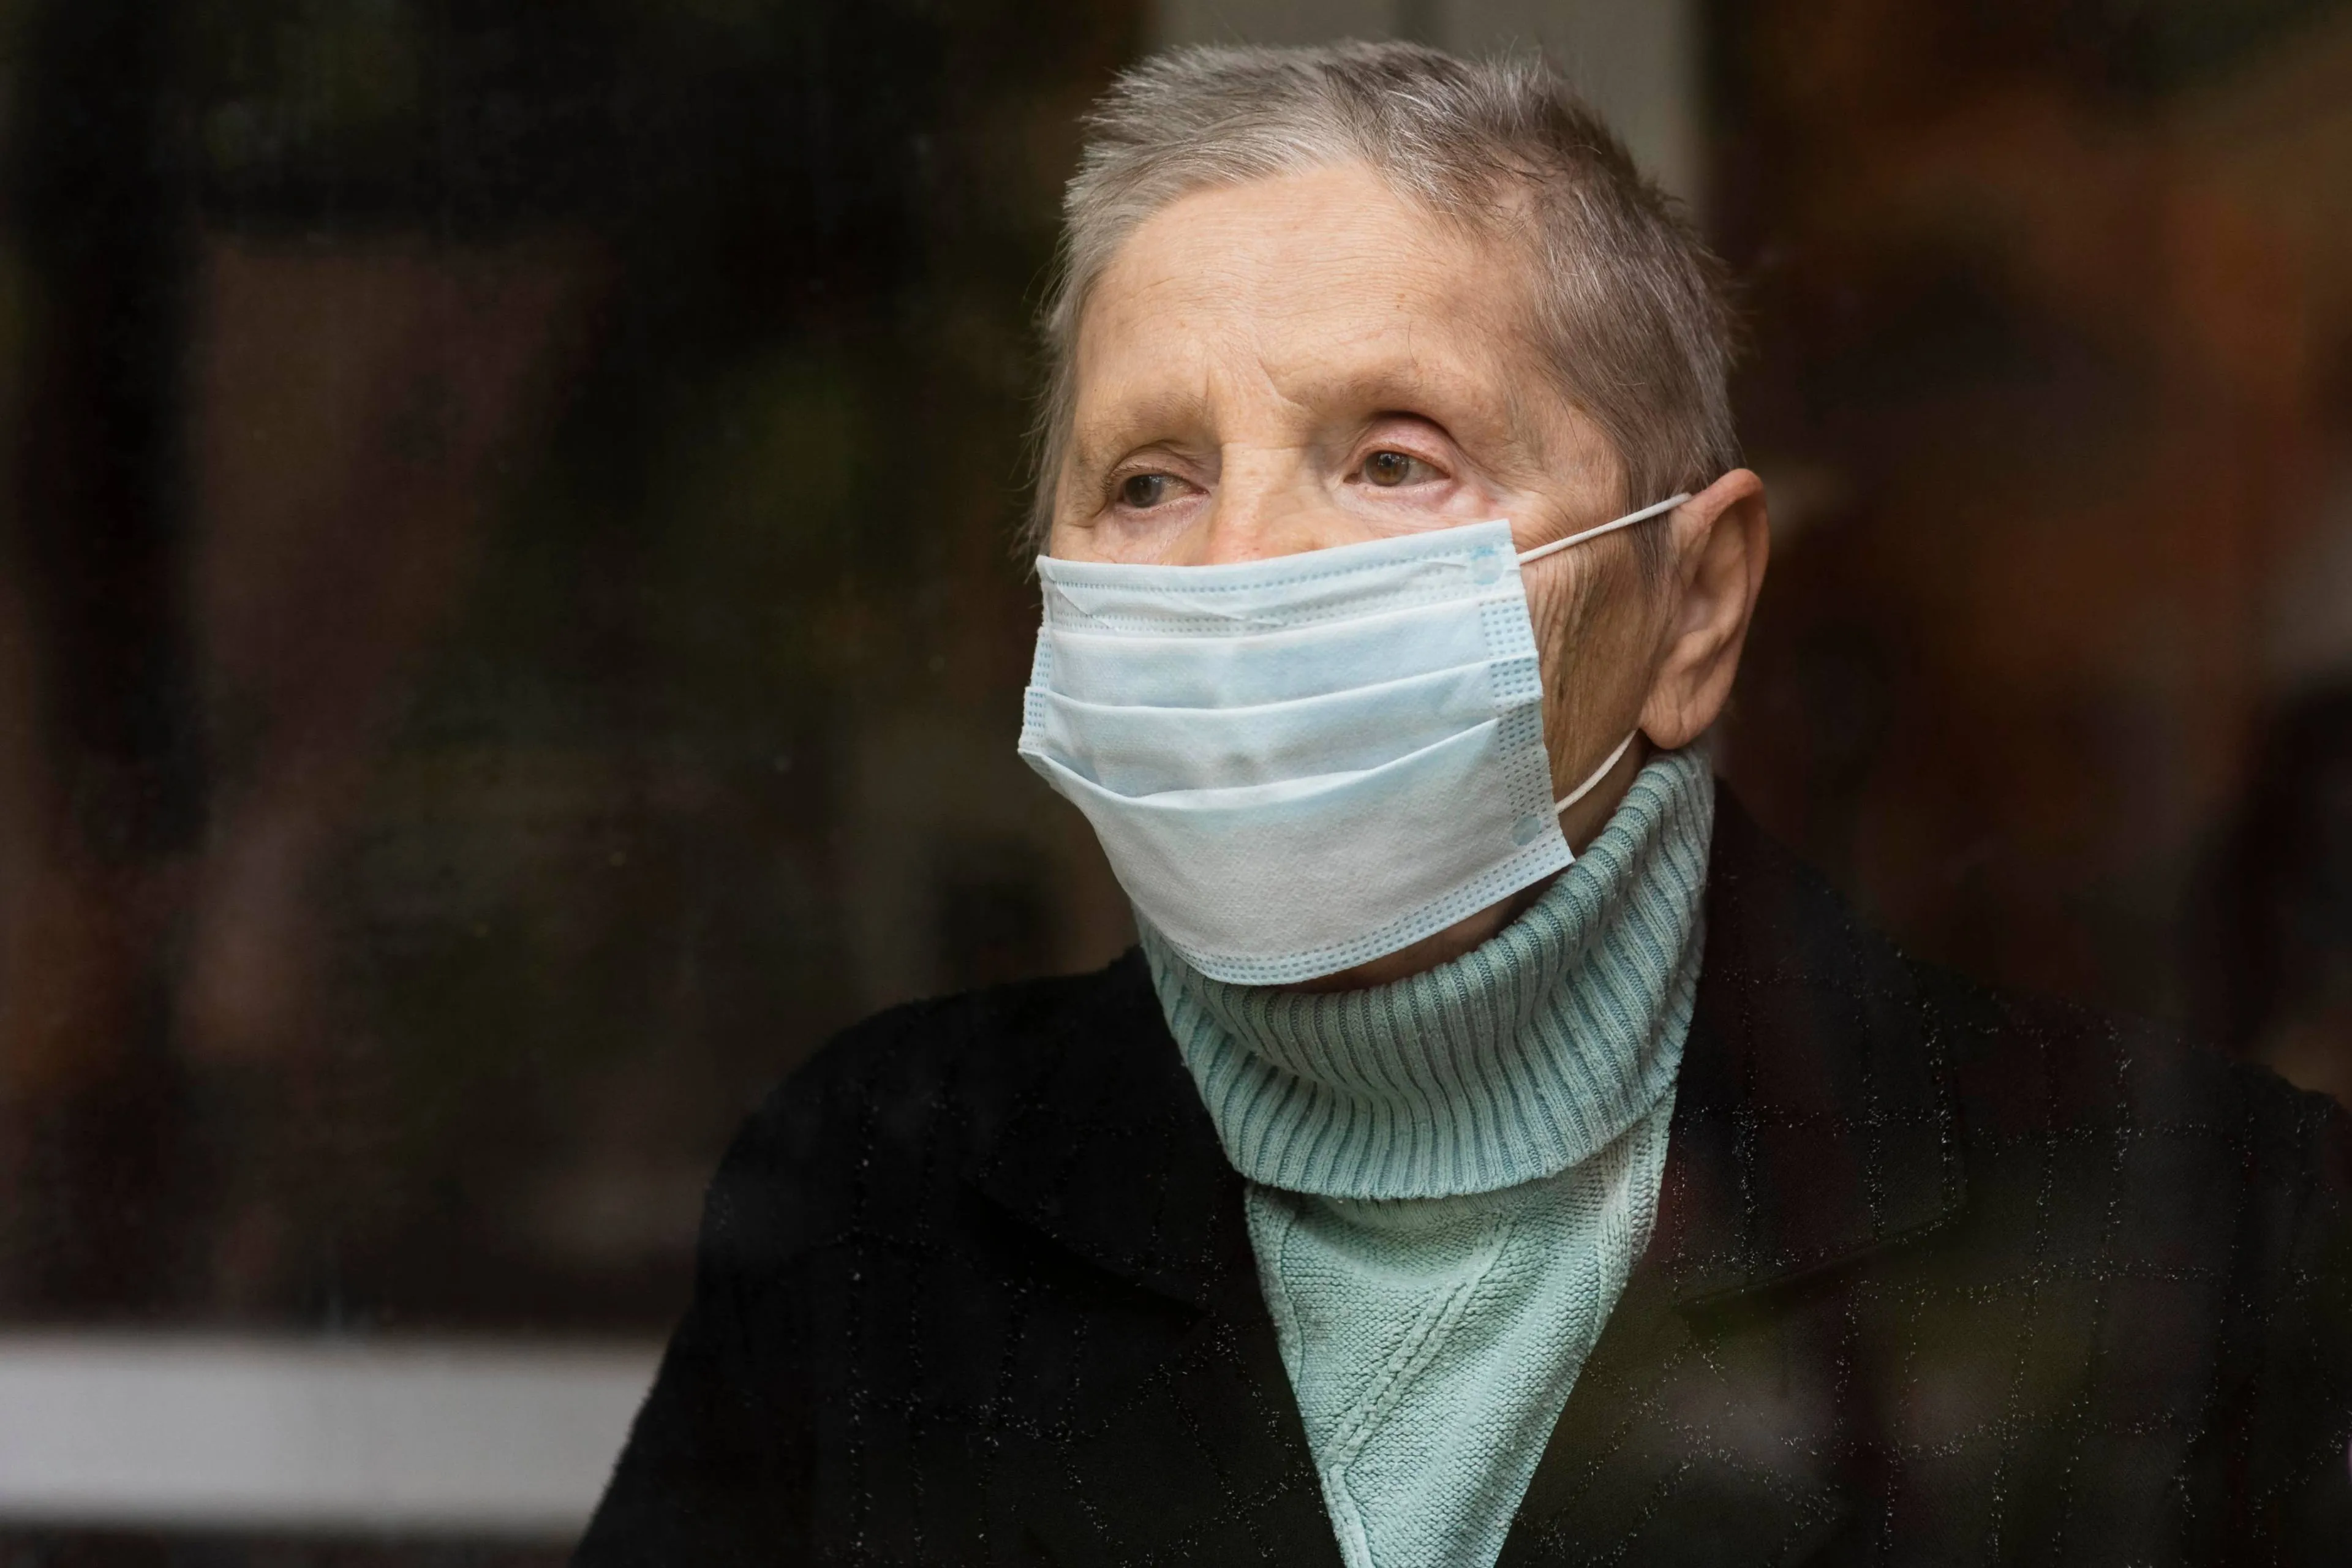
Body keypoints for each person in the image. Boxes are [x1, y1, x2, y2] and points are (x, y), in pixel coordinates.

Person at [575, 42, 2352, 1566]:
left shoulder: (2205, 1234)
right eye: (1148, 480)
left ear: (1695, 606)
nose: (1245, 568)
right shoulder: (880, 1195)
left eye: (1395, 457)